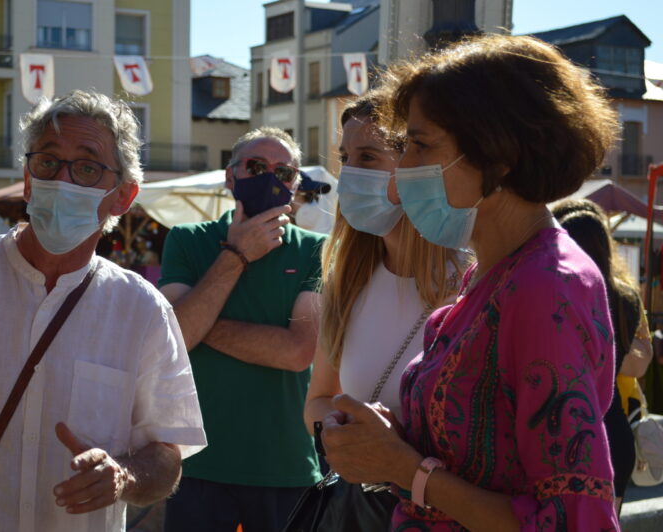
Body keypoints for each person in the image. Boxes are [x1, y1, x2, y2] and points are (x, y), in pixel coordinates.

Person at [0, 89, 206, 532]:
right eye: (47, 161)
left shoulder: (141, 309)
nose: (62, 179)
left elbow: (166, 455)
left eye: (86, 167)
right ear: (28, 178)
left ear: (123, 196)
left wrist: (124, 476)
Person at [319, 34, 621, 530]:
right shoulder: (495, 274)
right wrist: (391, 442)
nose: (401, 174)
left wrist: (405, 468)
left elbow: (572, 518)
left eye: (419, 145)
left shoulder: (546, 286)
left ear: (498, 158)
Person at [159, 127, 325, 532]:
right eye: (255, 166)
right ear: (230, 177)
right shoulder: (186, 239)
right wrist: (237, 255)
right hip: (196, 463)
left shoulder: (317, 249)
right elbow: (175, 338)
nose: (271, 178)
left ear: (295, 184)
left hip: (286, 469)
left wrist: (200, 319)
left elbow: (297, 352)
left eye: (284, 172)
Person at [304, 94, 462, 438]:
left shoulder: (469, 280)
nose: (349, 174)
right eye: (345, 158)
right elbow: (317, 401)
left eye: (368, 157)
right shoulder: (347, 280)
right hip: (362, 488)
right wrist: (337, 428)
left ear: (416, 168)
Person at [552, 199, 653, 513]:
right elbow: (639, 362)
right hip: (613, 433)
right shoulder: (624, 296)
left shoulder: (556, 294)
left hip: (564, 434)